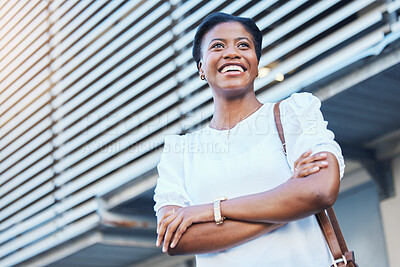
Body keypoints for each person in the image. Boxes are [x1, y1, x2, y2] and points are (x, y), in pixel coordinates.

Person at [153, 12, 344, 266]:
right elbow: (176, 240)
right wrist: (291, 199)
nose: (232, 53)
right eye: (217, 46)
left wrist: (207, 211)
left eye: (244, 45)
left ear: (255, 63)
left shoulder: (295, 114)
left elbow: (320, 190)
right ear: (201, 67)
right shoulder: (180, 152)